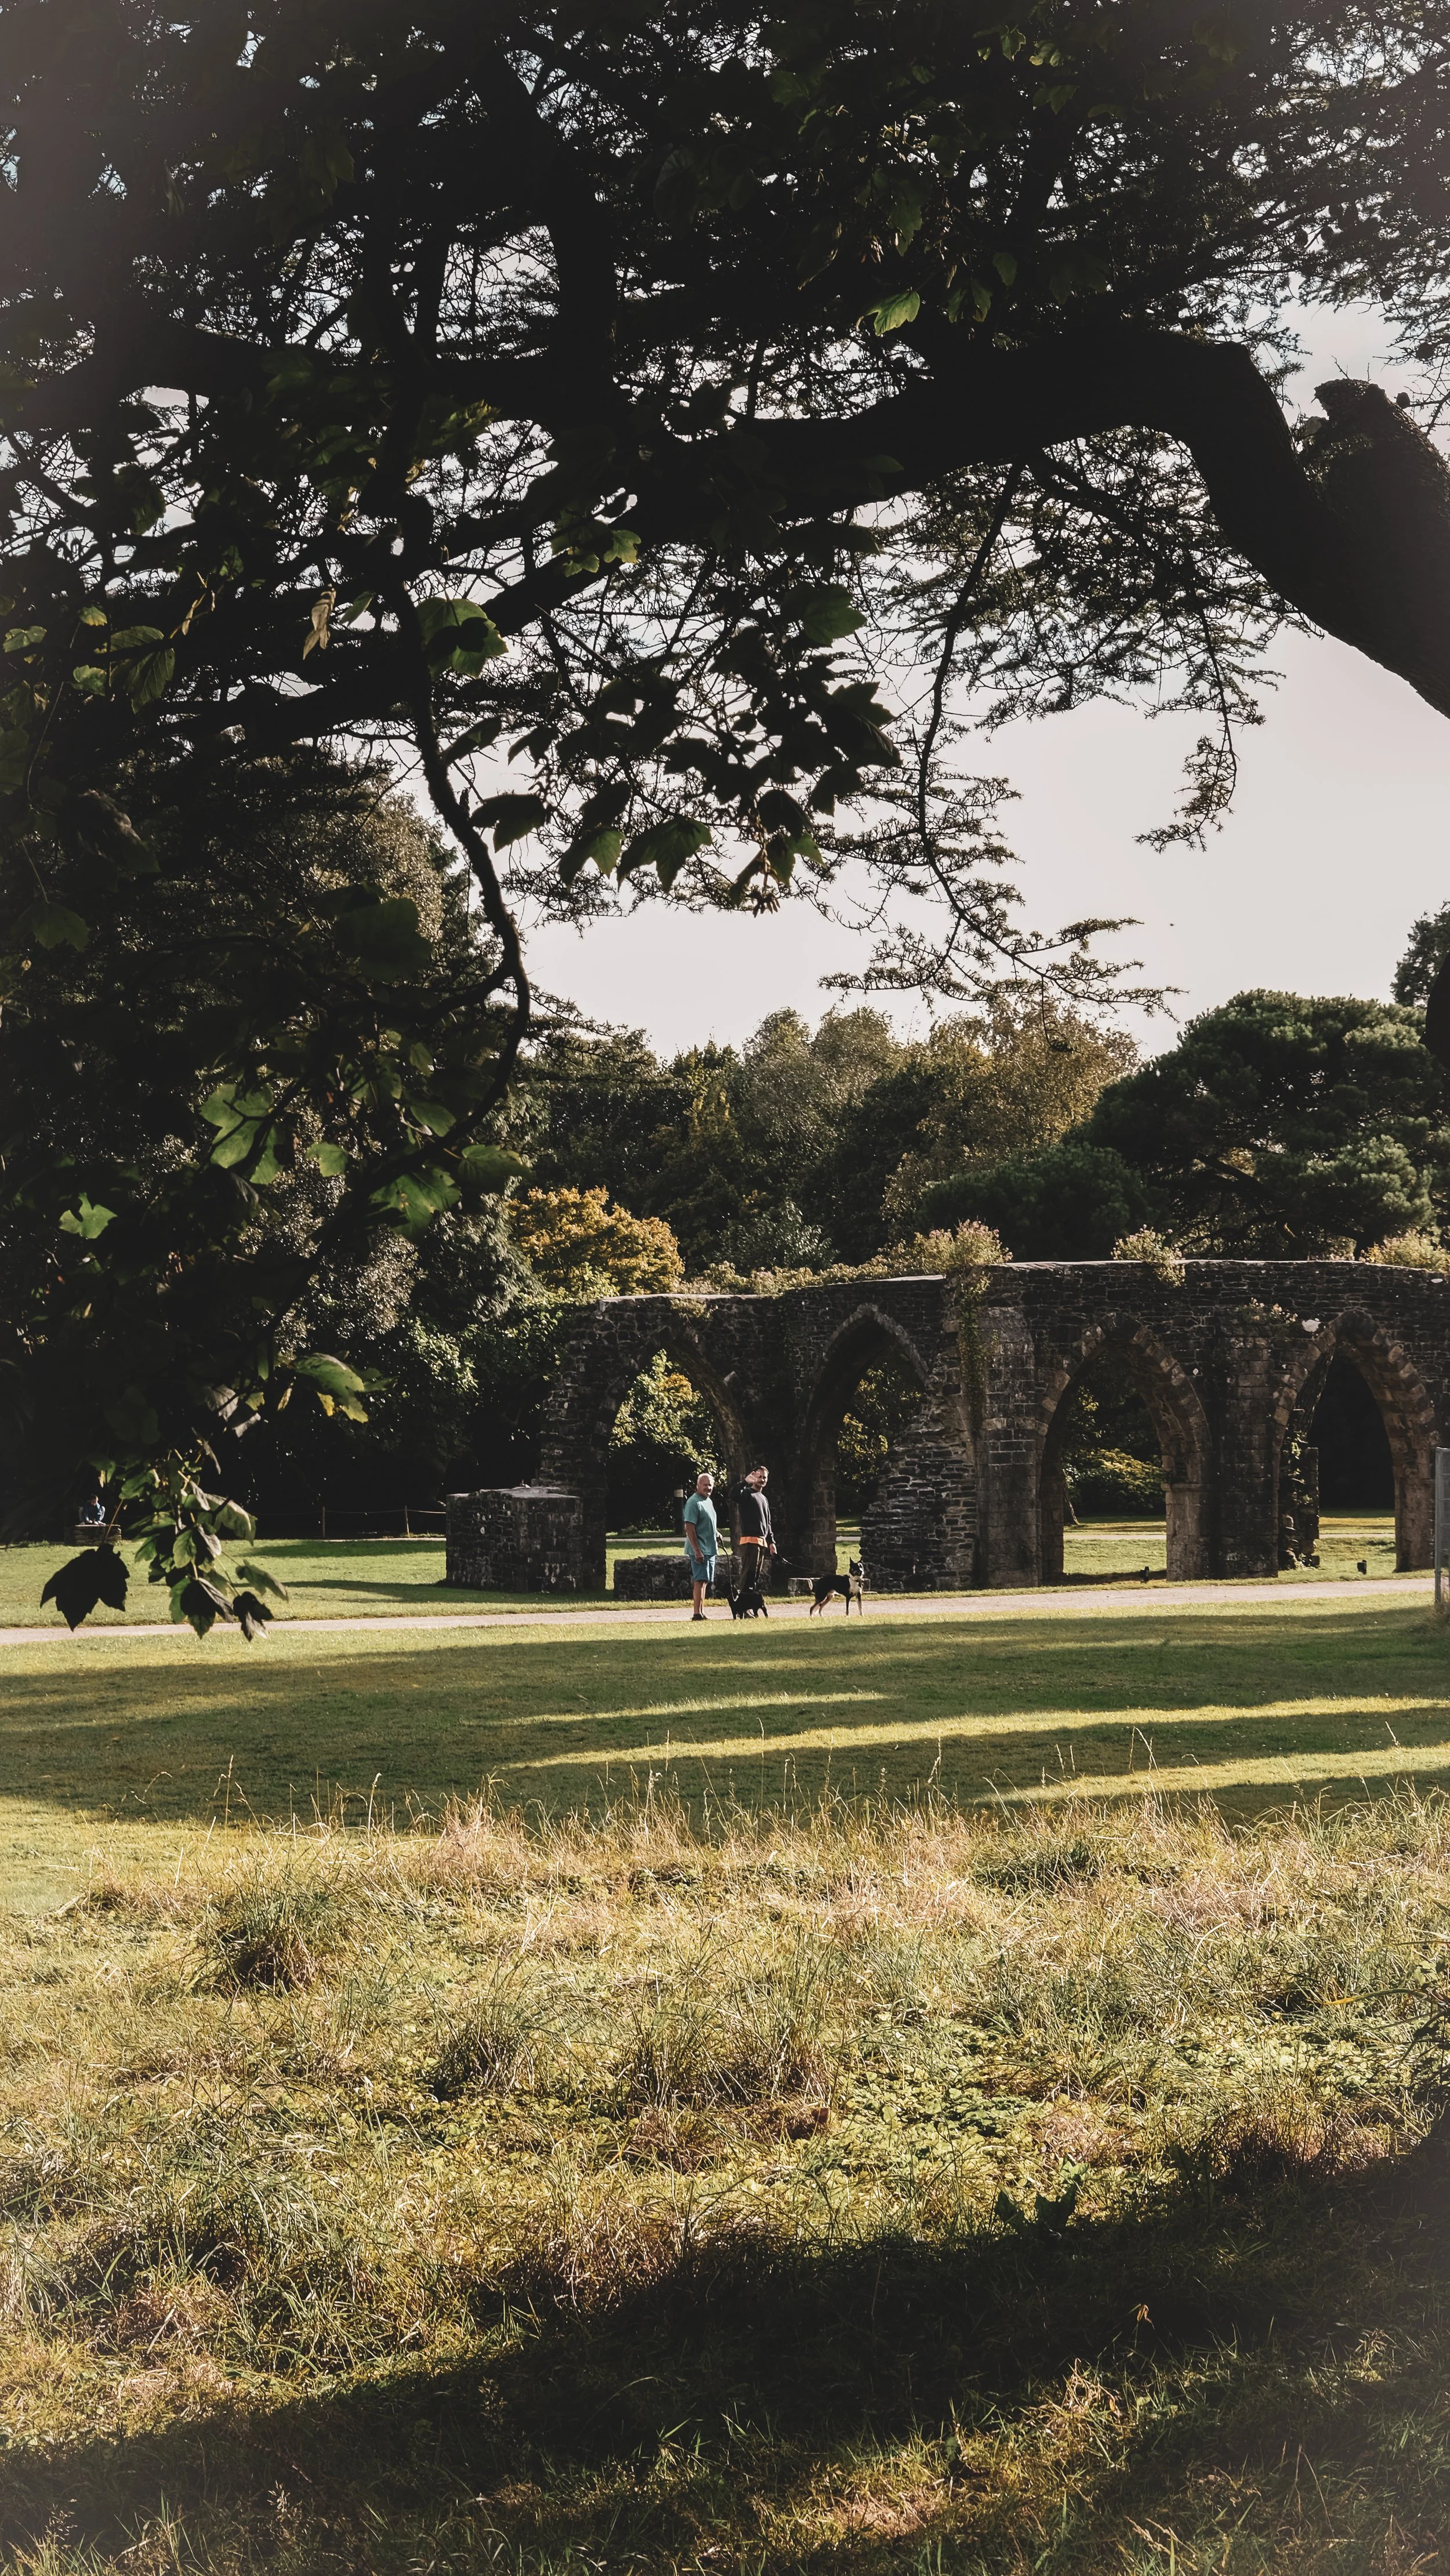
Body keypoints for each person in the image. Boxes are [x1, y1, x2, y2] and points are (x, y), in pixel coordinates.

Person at [682, 1470, 719, 1621]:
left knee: (704, 1581)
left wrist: (716, 1532)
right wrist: (697, 1550)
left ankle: (702, 1612)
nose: (708, 1488)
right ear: (698, 1486)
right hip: (700, 1549)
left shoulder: (708, 1501)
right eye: (705, 1485)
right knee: (699, 1580)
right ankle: (697, 1613)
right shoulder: (693, 1502)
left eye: (710, 1485)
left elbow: (707, 1522)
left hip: (710, 1548)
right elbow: (690, 1528)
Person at [735, 1465, 776, 1590]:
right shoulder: (747, 1493)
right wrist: (745, 1482)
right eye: (759, 1476)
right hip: (750, 1541)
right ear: (754, 1476)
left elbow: (767, 1522)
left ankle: (749, 1604)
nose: (762, 1479)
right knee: (748, 1575)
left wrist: (771, 1542)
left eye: (765, 1477)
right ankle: (742, 1605)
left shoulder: (764, 1499)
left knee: (754, 1577)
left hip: (761, 1542)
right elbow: (734, 1495)